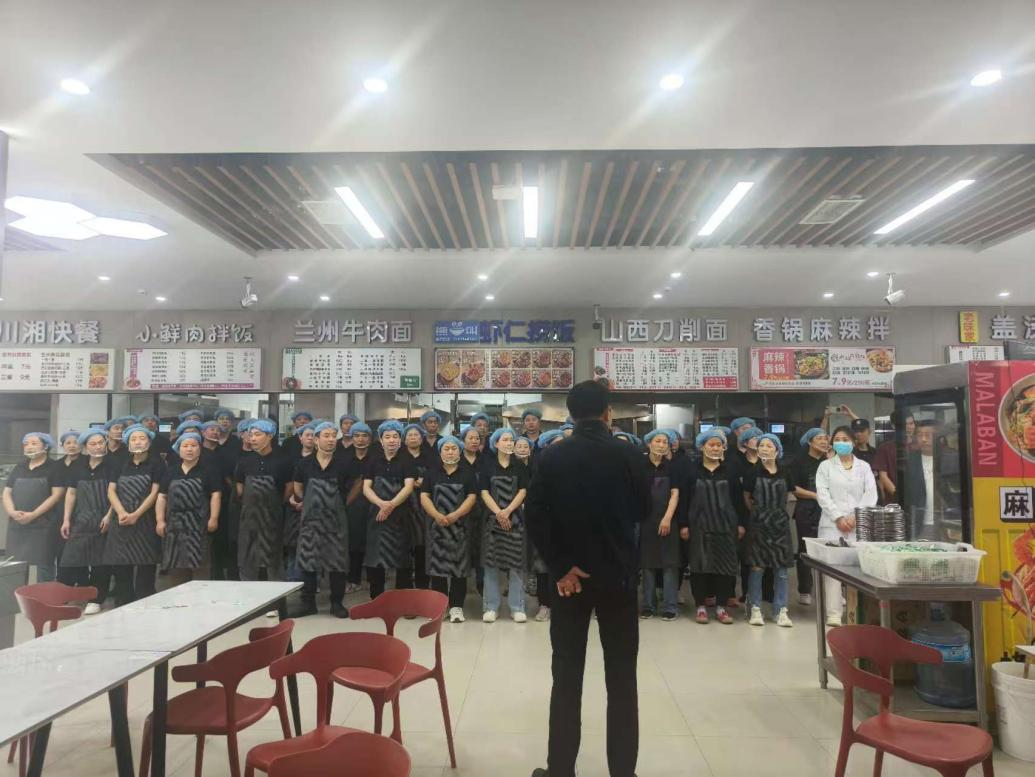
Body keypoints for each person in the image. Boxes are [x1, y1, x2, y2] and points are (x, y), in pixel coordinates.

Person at [526, 380, 649, 777]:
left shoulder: (552, 456)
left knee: (566, 677)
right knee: (622, 680)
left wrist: (561, 566)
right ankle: (623, 772)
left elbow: (535, 516)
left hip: (569, 582)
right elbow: (644, 509)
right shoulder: (628, 454)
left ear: (570, 415)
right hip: (618, 579)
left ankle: (560, 770)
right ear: (608, 413)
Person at [815, 425, 877, 626]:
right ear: (832, 443)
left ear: (853, 442)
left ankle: (856, 610)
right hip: (832, 524)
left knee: (858, 567)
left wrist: (855, 517)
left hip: (857, 523)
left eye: (845, 439)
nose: (841, 443)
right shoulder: (825, 467)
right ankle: (833, 613)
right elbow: (823, 494)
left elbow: (871, 493)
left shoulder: (864, 467)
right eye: (837, 439)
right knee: (831, 569)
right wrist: (839, 517)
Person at [292, 421, 351, 618]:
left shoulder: (343, 464)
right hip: (311, 521)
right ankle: (308, 603)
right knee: (308, 560)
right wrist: (307, 502)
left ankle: (336, 603)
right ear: (316, 440)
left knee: (337, 562)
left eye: (334, 436)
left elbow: (355, 485)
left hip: (336, 521)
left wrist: (342, 504)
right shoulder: (304, 464)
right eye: (326, 436)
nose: (331, 439)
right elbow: (298, 487)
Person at [687, 428, 744, 625]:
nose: (715, 448)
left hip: (725, 527)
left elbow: (738, 500)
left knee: (724, 569)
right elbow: (685, 499)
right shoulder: (692, 470)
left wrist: (741, 524)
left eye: (719, 445)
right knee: (699, 567)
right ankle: (701, 607)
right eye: (711, 445)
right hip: (699, 527)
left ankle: (721, 607)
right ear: (702, 447)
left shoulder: (730, 471)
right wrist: (684, 525)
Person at [104, 423, 165, 605]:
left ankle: (145, 600)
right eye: (134, 439)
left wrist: (136, 514)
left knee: (146, 562)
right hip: (121, 519)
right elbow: (111, 491)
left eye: (142, 438)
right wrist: (121, 512)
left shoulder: (157, 463)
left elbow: (155, 492)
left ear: (149, 442)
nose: (138, 442)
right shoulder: (120, 463)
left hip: (145, 519)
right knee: (122, 563)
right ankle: (123, 601)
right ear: (128, 442)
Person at [421, 435, 478, 623]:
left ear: (460, 451)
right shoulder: (431, 473)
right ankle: (441, 606)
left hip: (460, 527)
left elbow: (471, 497)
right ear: (440, 452)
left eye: (454, 449)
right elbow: (424, 496)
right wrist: (436, 515)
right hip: (436, 527)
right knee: (437, 568)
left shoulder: (467, 473)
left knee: (459, 569)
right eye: (446, 449)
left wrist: (456, 514)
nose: (450, 452)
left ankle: (456, 607)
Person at [58, 429, 113, 612]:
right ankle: (64, 595)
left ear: (105, 444)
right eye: (92, 444)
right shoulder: (78, 467)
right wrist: (66, 520)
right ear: (85, 447)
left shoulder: (112, 465)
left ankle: (96, 599)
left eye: (100, 443)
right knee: (71, 558)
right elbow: (71, 493)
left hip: (103, 519)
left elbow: (117, 492)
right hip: (81, 518)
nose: (97, 447)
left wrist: (109, 516)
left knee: (100, 561)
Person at [155, 432, 221, 587]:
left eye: (193, 446)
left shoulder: (209, 470)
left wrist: (213, 518)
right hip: (174, 525)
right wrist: (160, 520)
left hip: (199, 525)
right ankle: (179, 597)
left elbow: (216, 495)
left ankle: (200, 597)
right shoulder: (171, 471)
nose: (189, 449)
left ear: (200, 449)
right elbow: (162, 497)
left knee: (200, 566)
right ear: (179, 450)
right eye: (185, 446)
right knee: (176, 565)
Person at [743, 434, 795, 628]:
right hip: (758, 524)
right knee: (757, 568)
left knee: (781, 570)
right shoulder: (752, 472)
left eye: (769, 445)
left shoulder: (785, 472)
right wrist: (759, 514)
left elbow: (789, 495)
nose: (764, 448)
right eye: (761, 445)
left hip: (780, 524)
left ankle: (781, 610)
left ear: (777, 450)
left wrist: (778, 514)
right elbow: (747, 497)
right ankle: (755, 607)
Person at [480, 428, 530, 623]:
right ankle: (491, 607)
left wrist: (508, 511)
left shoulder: (520, 466)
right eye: (506, 440)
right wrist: (499, 513)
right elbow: (484, 492)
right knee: (491, 564)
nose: (510, 443)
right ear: (496, 443)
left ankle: (517, 607)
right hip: (492, 520)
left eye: (512, 440)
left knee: (516, 564)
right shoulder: (487, 465)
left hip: (515, 519)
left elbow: (523, 491)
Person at [363, 420, 417, 599]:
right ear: (381, 440)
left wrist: (390, 505)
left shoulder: (407, 461)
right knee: (375, 559)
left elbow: (408, 487)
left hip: (400, 516)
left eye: (395, 436)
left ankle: (403, 600)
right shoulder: (373, 461)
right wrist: (381, 504)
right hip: (376, 516)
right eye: (387, 437)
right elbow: (366, 488)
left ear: (400, 440)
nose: (391, 440)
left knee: (402, 559)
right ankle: (376, 599)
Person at [4, 433, 65, 583]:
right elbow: (6, 492)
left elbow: (57, 495)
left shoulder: (55, 467)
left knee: (45, 564)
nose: (29, 447)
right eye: (26, 444)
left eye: (33, 443)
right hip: (18, 523)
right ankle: (17, 594)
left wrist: (33, 515)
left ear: (46, 446)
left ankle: (45, 595)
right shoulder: (20, 467)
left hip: (44, 524)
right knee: (16, 564)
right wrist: (12, 512)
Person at [236, 418, 291, 582]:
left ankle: (277, 594)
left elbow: (289, 487)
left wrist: (276, 504)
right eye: (251, 435)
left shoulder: (283, 461)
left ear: (270, 436)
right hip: (248, 515)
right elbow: (239, 487)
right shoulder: (244, 461)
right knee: (247, 553)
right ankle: (249, 591)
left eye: (257, 434)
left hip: (272, 515)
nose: (253, 438)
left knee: (273, 555)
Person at [639, 429, 682, 622]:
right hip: (645, 520)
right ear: (649, 443)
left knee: (669, 564)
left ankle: (670, 606)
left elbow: (675, 494)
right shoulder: (640, 466)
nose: (661, 445)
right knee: (647, 564)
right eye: (658, 441)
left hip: (668, 520)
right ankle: (648, 605)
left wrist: (667, 518)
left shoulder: (672, 467)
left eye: (665, 442)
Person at [904, 419, 960, 540]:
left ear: (939, 438)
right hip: (920, 523)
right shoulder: (911, 461)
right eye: (920, 435)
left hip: (947, 521)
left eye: (928, 435)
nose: (923, 439)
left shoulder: (951, 459)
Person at [791, 428, 829, 605]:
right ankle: (805, 590)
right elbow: (794, 488)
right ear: (809, 441)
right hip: (806, 509)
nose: (823, 441)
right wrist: (815, 496)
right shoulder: (798, 461)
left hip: (828, 510)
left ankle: (831, 589)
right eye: (819, 438)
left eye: (825, 438)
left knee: (829, 548)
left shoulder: (829, 461)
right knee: (805, 549)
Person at [342, 422, 374, 592]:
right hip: (352, 506)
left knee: (373, 543)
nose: (360, 439)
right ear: (352, 438)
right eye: (357, 436)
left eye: (364, 436)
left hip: (374, 505)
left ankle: (373, 579)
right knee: (354, 544)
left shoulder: (376, 458)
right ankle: (354, 579)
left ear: (370, 438)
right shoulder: (344, 459)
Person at [402, 423, 433, 589]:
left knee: (422, 545)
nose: (413, 438)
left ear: (422, 439)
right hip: (403, 506)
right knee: (404, 546)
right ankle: (405, 584)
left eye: (416, 435)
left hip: (422, 507)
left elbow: (434, 478)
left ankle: (422, 583)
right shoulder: (400, 457)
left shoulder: (429, 457)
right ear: (404, 439)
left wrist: (422, 482)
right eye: (409, 435)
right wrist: (412, 483)